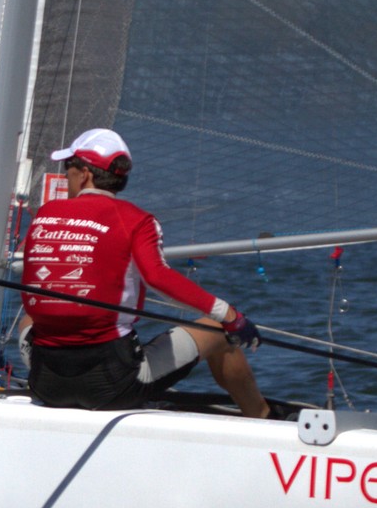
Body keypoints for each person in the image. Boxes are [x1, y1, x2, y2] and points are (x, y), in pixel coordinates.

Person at [18, 127, 278, 419]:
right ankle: (261, 415)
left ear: (85, 174)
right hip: (112, 386)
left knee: (29, 318)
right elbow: (157, 278)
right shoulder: (137, 220)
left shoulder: (46, 213)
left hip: (45, 383)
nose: (66, 176)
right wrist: (230, 316)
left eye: (68, 168)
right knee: (217, 329)